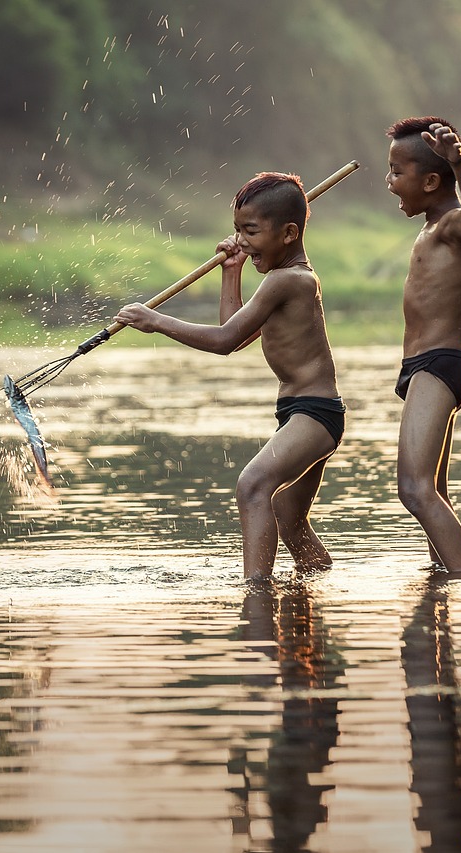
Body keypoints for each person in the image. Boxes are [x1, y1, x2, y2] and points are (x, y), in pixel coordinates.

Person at [115, 172, 344, 580]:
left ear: (289, 233)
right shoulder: (283, 279)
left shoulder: (288, 280)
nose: (239, 241)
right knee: (287, 516)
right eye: (237, 230)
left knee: (252, 486)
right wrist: (232, 271)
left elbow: (223, 339)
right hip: (300, 411)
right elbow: (238, 334)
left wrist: (156, 321)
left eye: (250, 231)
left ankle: (257, 592)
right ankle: (316, 588)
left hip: (315, 412)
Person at [385, 78, 461, 573]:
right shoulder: (437, 219)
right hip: (425, 368)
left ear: (429, 182)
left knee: (414, 489)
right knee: (434, 491)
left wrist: (455, 160)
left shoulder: (455, 225)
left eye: (397, 172)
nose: (389, 180)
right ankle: (440, 593)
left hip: (437, 366)